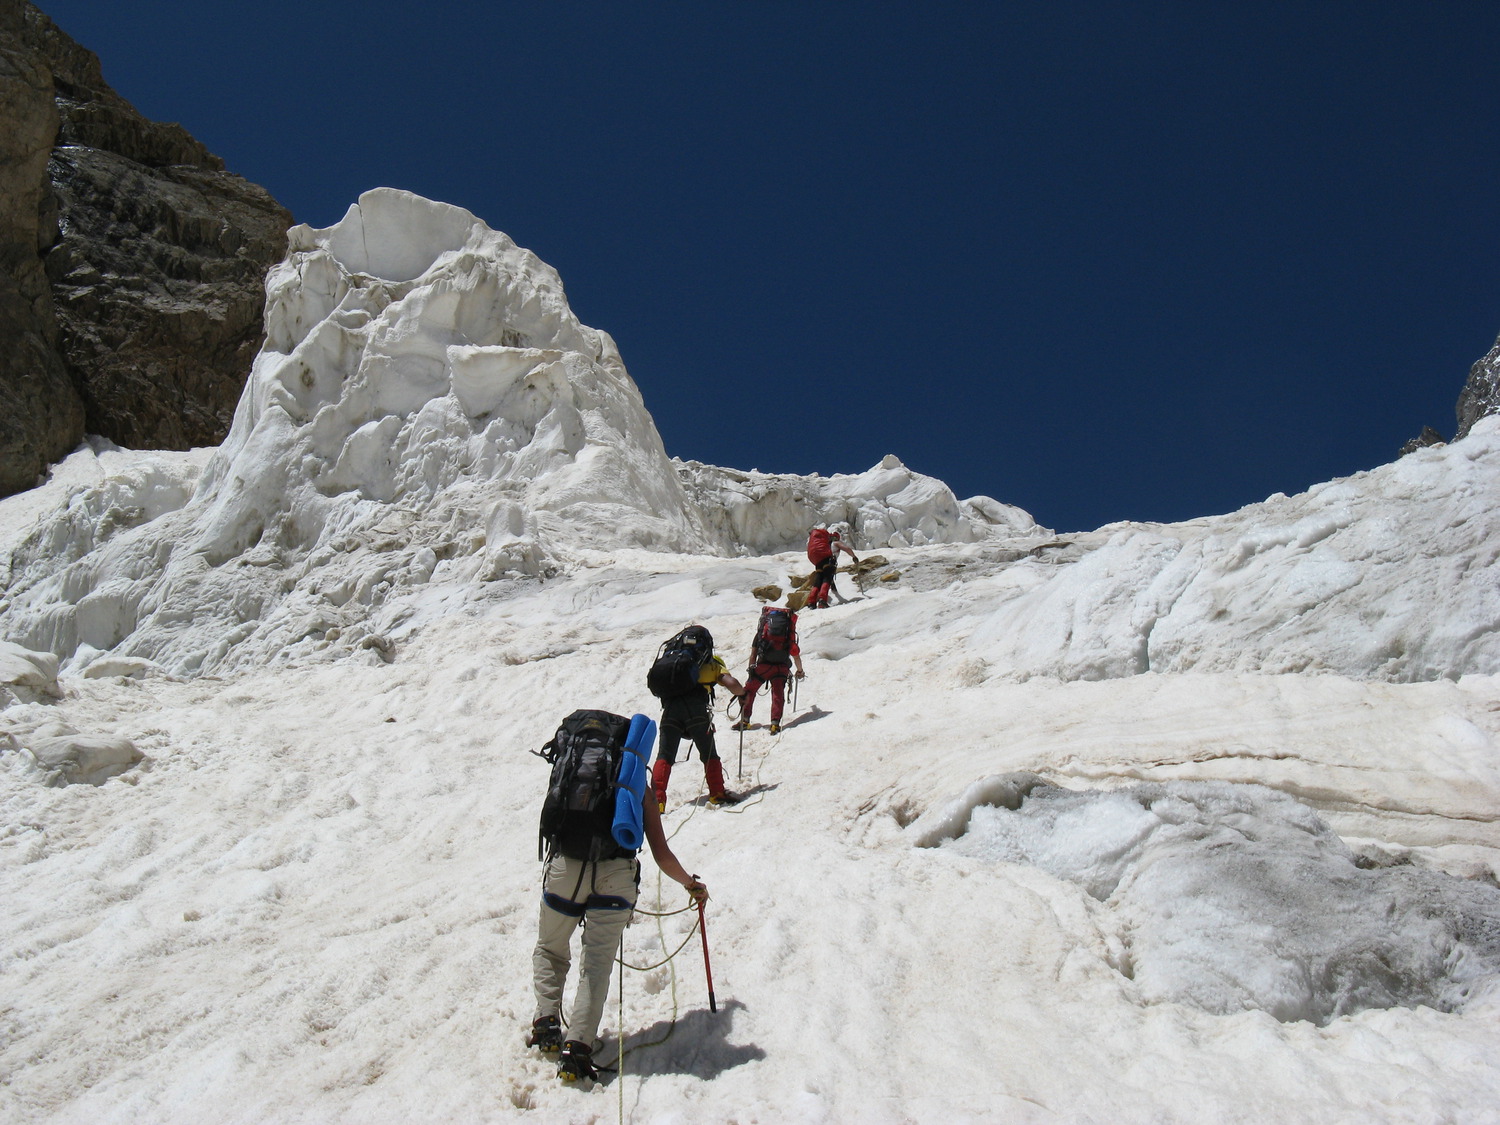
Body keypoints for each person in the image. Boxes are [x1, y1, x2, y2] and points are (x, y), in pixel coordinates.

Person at [529, 764, 709, 1083]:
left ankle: (546, 1024)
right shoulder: (637, 784)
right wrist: (690, 885)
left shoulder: (573, 773)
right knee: (596, 964)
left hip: (563, 871)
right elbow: (661, 853)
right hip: (616, 878)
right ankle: (577, 1049)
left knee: (550, 949)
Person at [652, 628, 747, 811]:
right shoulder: (712, 663)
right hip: (696, 711)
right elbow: (732, 684)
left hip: (670, 709)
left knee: (665, 755)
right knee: (708, 752)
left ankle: (658, 801)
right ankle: (717, 793)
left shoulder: (671, 659)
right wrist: (743, 694)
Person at [733, 606, 805, 735]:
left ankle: (745, 720)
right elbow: (795, 655)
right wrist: (800, 671)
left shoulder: (762, 633)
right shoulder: (788, 634)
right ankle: (775, 724)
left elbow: (753, 654)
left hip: (763, 667)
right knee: (778, 694)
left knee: (749, 690)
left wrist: (751, 670)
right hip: (781, 668)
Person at [805, 526, 859, 609]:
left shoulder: (824, 546)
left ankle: (811, 602)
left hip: (819, 562)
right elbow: (847, 548)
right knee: (826, 580)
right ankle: (822, 601)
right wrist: (854, 556)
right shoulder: (835, 543)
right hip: (829, 562)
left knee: (818, 582)